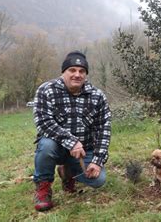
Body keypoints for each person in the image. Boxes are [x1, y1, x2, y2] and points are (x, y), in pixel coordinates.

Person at [31, 50, 112, 211]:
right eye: (72, 70)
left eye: (82, 71)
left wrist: (97, 161)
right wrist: (72, 141)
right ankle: (43, 187)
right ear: (63, 72)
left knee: (98, 180)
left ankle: (67, 173)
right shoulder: (46, 90)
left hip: (83, 152)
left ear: (86, 75)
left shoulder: (97, 96)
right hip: (56, 148)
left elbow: (104, 130)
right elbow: (43, 123)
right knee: (46, 146)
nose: (77, 74)